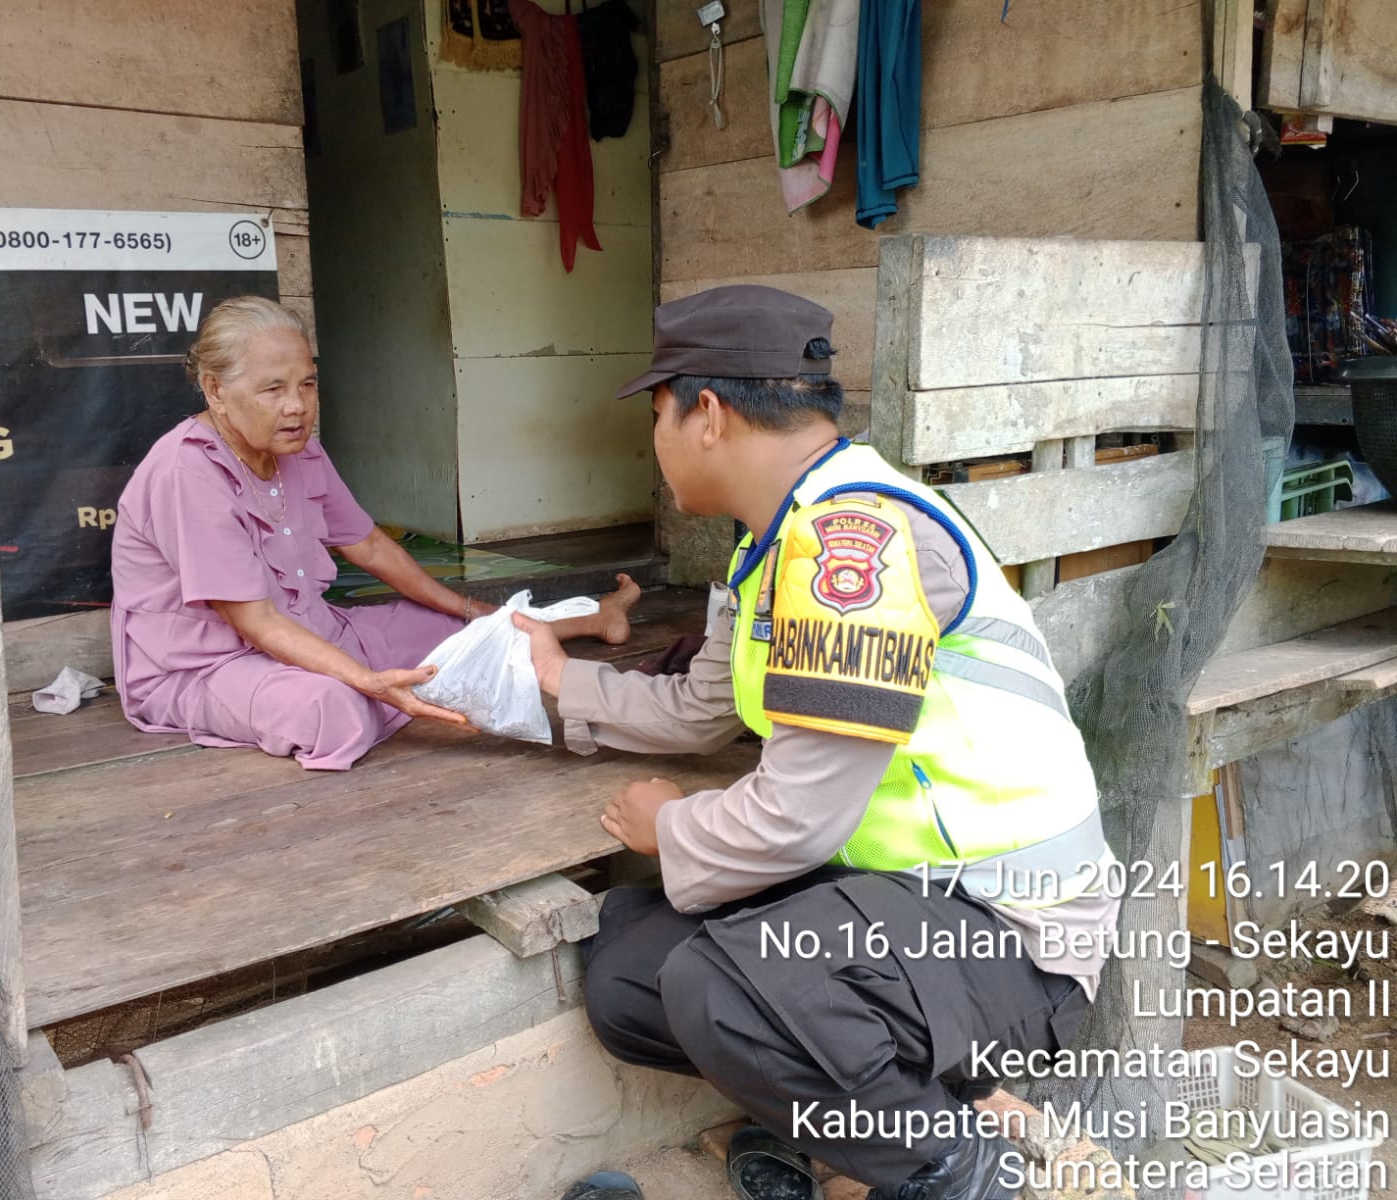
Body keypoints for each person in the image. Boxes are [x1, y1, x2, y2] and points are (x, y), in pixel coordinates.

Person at [512, 286, 1123, 1200]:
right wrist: (551, 683)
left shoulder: (857, 543)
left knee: (729, 989)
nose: (656, 438)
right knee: (632, 972)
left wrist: (671, 827)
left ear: (707, 413)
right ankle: (930, 1106)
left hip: (1013, 933)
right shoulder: (771, 543)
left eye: (656, 414)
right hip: (905, 900)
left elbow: (799, 815)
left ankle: (963, 1174)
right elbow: (701, 708)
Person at [111, 295, 639, 771]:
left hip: (313, 630)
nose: (297, 405)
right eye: (273, 388)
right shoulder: (188, 472)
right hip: (209, 666)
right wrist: (364, 679)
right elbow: (256, 622)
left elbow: (368, 545)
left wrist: (469, 611)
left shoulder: (298, 448)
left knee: (455, 634)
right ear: (215, 391)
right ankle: (374, 690)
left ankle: (596, 617)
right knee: (332, 710)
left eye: (307, 384)